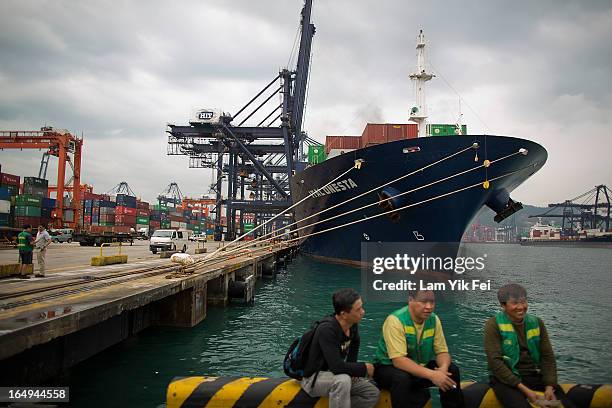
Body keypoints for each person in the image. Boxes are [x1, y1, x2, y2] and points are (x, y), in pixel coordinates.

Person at [484, 283, 576, 407]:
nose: (521, 307)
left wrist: (549, 386)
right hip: (505, 380)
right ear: (503, 305)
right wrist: (526, 391)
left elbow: (547, 357)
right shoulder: (493, 325)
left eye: (523, 302)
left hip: (533, 375)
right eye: (515, 303)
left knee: (566, 405)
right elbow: (495, 363)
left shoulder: (537, 322)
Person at [373, 289, 465, 408]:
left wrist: (442, 369)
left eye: (432, 302)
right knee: (401, 378)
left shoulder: (434, 319)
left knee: (452, 370)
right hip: (387, 368)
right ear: (410, 300)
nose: (429, 307)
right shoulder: (395, 320)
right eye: (423, 302)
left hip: (418, 368)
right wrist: (432, 375)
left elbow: (442, 352)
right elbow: (399, 361)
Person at [300, 288, 380, 408]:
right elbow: (337, 367)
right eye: (358, 309)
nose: (363, 312)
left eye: (362, 307)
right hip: (313, 379)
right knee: (343, 381)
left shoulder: (352, 325)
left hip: (335, 376)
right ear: (344, 314)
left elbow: (354, 346)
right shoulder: (327, 330)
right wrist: (364, 368)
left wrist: (354, 373)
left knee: (371, 393)